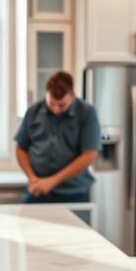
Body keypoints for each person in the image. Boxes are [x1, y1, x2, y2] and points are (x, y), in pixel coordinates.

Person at [14, 71, 101, 203]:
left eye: (61, 105)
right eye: (51, 103)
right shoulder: (33, 111)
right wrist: (32, 178)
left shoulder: (87, 113)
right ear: (46, 94)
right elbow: (21, 149)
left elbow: (90, 155)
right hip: (37, 191)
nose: (55, 109)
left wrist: (52, 181)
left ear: (72, 95)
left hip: (73, 193)